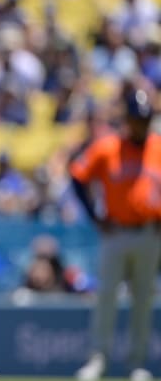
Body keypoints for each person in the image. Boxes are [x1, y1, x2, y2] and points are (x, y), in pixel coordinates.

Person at [70, 88, 161, 381]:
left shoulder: (158, 147)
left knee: (143, 299)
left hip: (149, 233)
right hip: (116, 233)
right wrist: (95, 216)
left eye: (145, 119)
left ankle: (136, 363)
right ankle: (98, 360)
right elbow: (77, 176)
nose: (141, 125)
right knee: (106, 296)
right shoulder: (108, 147)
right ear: (128, 119)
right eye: (136, 119)